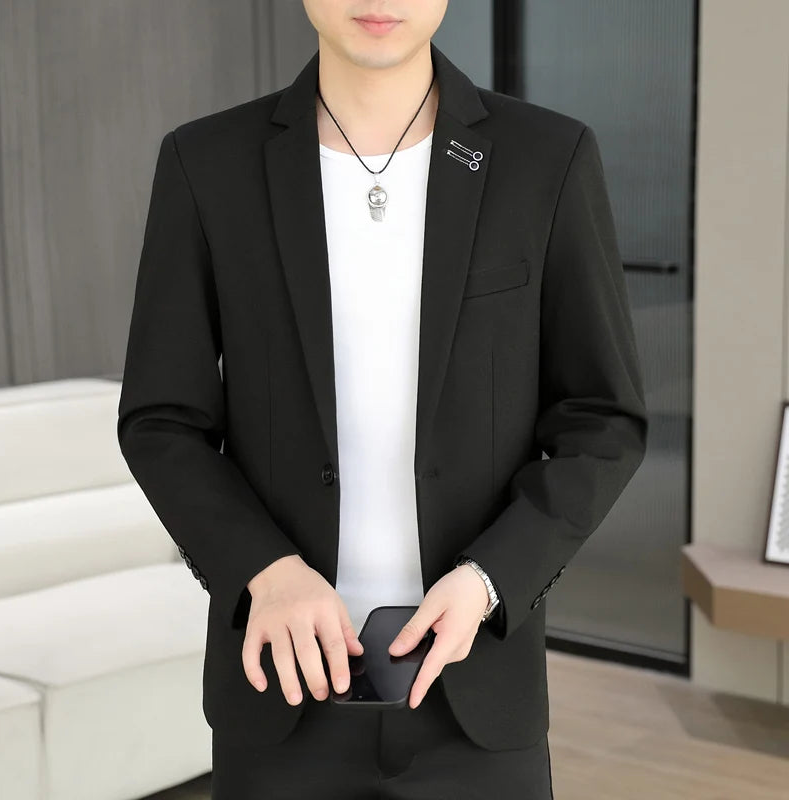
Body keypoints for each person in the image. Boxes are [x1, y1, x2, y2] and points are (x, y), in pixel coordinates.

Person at [117, 1, 648, 797]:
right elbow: (161, 420)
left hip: (476, 693)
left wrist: (489, 580)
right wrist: (264, 568)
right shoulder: (206, 163)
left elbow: (603, 419)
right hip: (281, 691)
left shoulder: (548, 158)